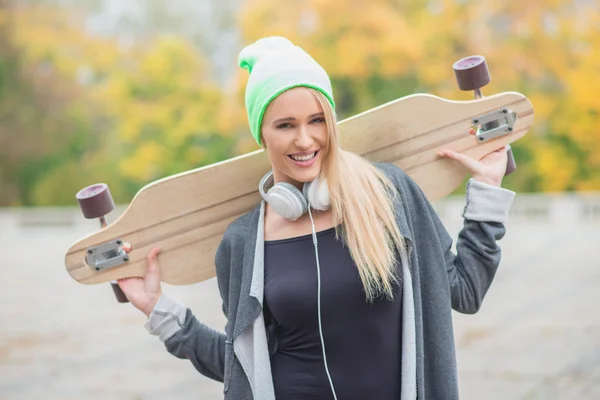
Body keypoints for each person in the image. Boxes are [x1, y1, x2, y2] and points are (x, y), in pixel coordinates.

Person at [117, 36, 516, 400]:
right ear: (262, 134)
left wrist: (487, 195)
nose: (305, 140)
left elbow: (464, 291)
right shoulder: (244, 243)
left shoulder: (387, 196)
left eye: (316, 120)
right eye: (285, 125)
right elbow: (243, 366)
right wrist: (160, 312)